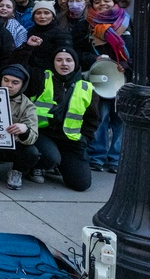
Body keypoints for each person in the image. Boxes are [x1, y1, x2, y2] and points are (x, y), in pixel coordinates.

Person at [27, 46, 99, 192]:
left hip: (70, 141)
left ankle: (59, 163)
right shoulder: (41, 78)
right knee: (51, 157)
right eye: (59, 60)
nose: (64, 64)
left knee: (81, 184)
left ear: (75, 63)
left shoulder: (86, 88)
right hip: (43, 135)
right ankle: (38, 166)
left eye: (68, 60)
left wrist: (84, 139)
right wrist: (27, 48)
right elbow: (17, 66)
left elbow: (92, 120)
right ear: (53, 62)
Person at [86, 0, 131, 172]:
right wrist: (93, 59)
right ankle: (97, 156)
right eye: (97, 2)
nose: (102, 4)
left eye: (106, 0)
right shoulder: (87, 26)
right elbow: (79, 50)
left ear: (114, 3)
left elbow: (136, 49)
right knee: (100, 118)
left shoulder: (126, 22)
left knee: (120, 121)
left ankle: (116, 159)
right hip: (100, 80)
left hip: (123, 79)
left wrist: (127, 65)